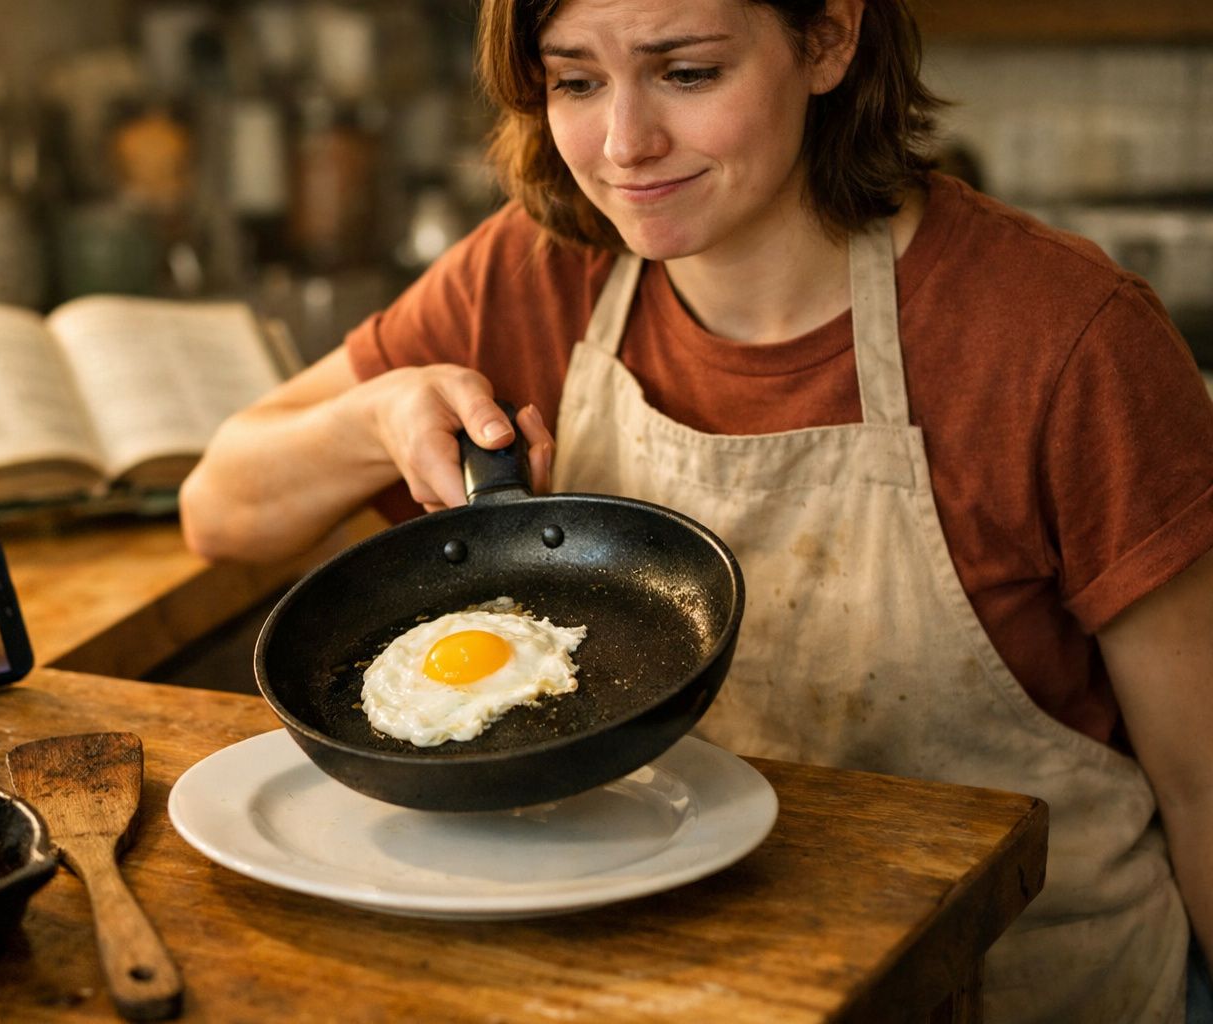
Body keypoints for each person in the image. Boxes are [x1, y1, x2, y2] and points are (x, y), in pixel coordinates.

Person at [179, 1, 1213, 1020]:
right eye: (577, 81)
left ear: (828, 38)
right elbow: (220, 508)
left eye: (687, 72)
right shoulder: (538, 271)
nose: (626, 144)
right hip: (655, 983)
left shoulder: (1066, 340)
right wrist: (377, 413)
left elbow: (1204, 785)